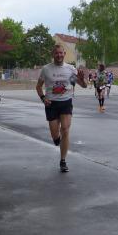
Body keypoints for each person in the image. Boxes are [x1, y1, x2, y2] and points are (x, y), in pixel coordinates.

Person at [36, 44, 87, 172]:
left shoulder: (70, 69)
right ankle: (56, 139)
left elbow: (83, 85)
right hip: (51, 104)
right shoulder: (46, 69)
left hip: (66, 102)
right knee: (55, 136)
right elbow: (38, 86)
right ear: (53, 54)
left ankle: (63, 161)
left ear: (64, 54)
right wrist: (43, 98)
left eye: (61, 53)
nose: (59, 55)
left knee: (65, 129)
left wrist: (82, 79)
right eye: (56, 53)